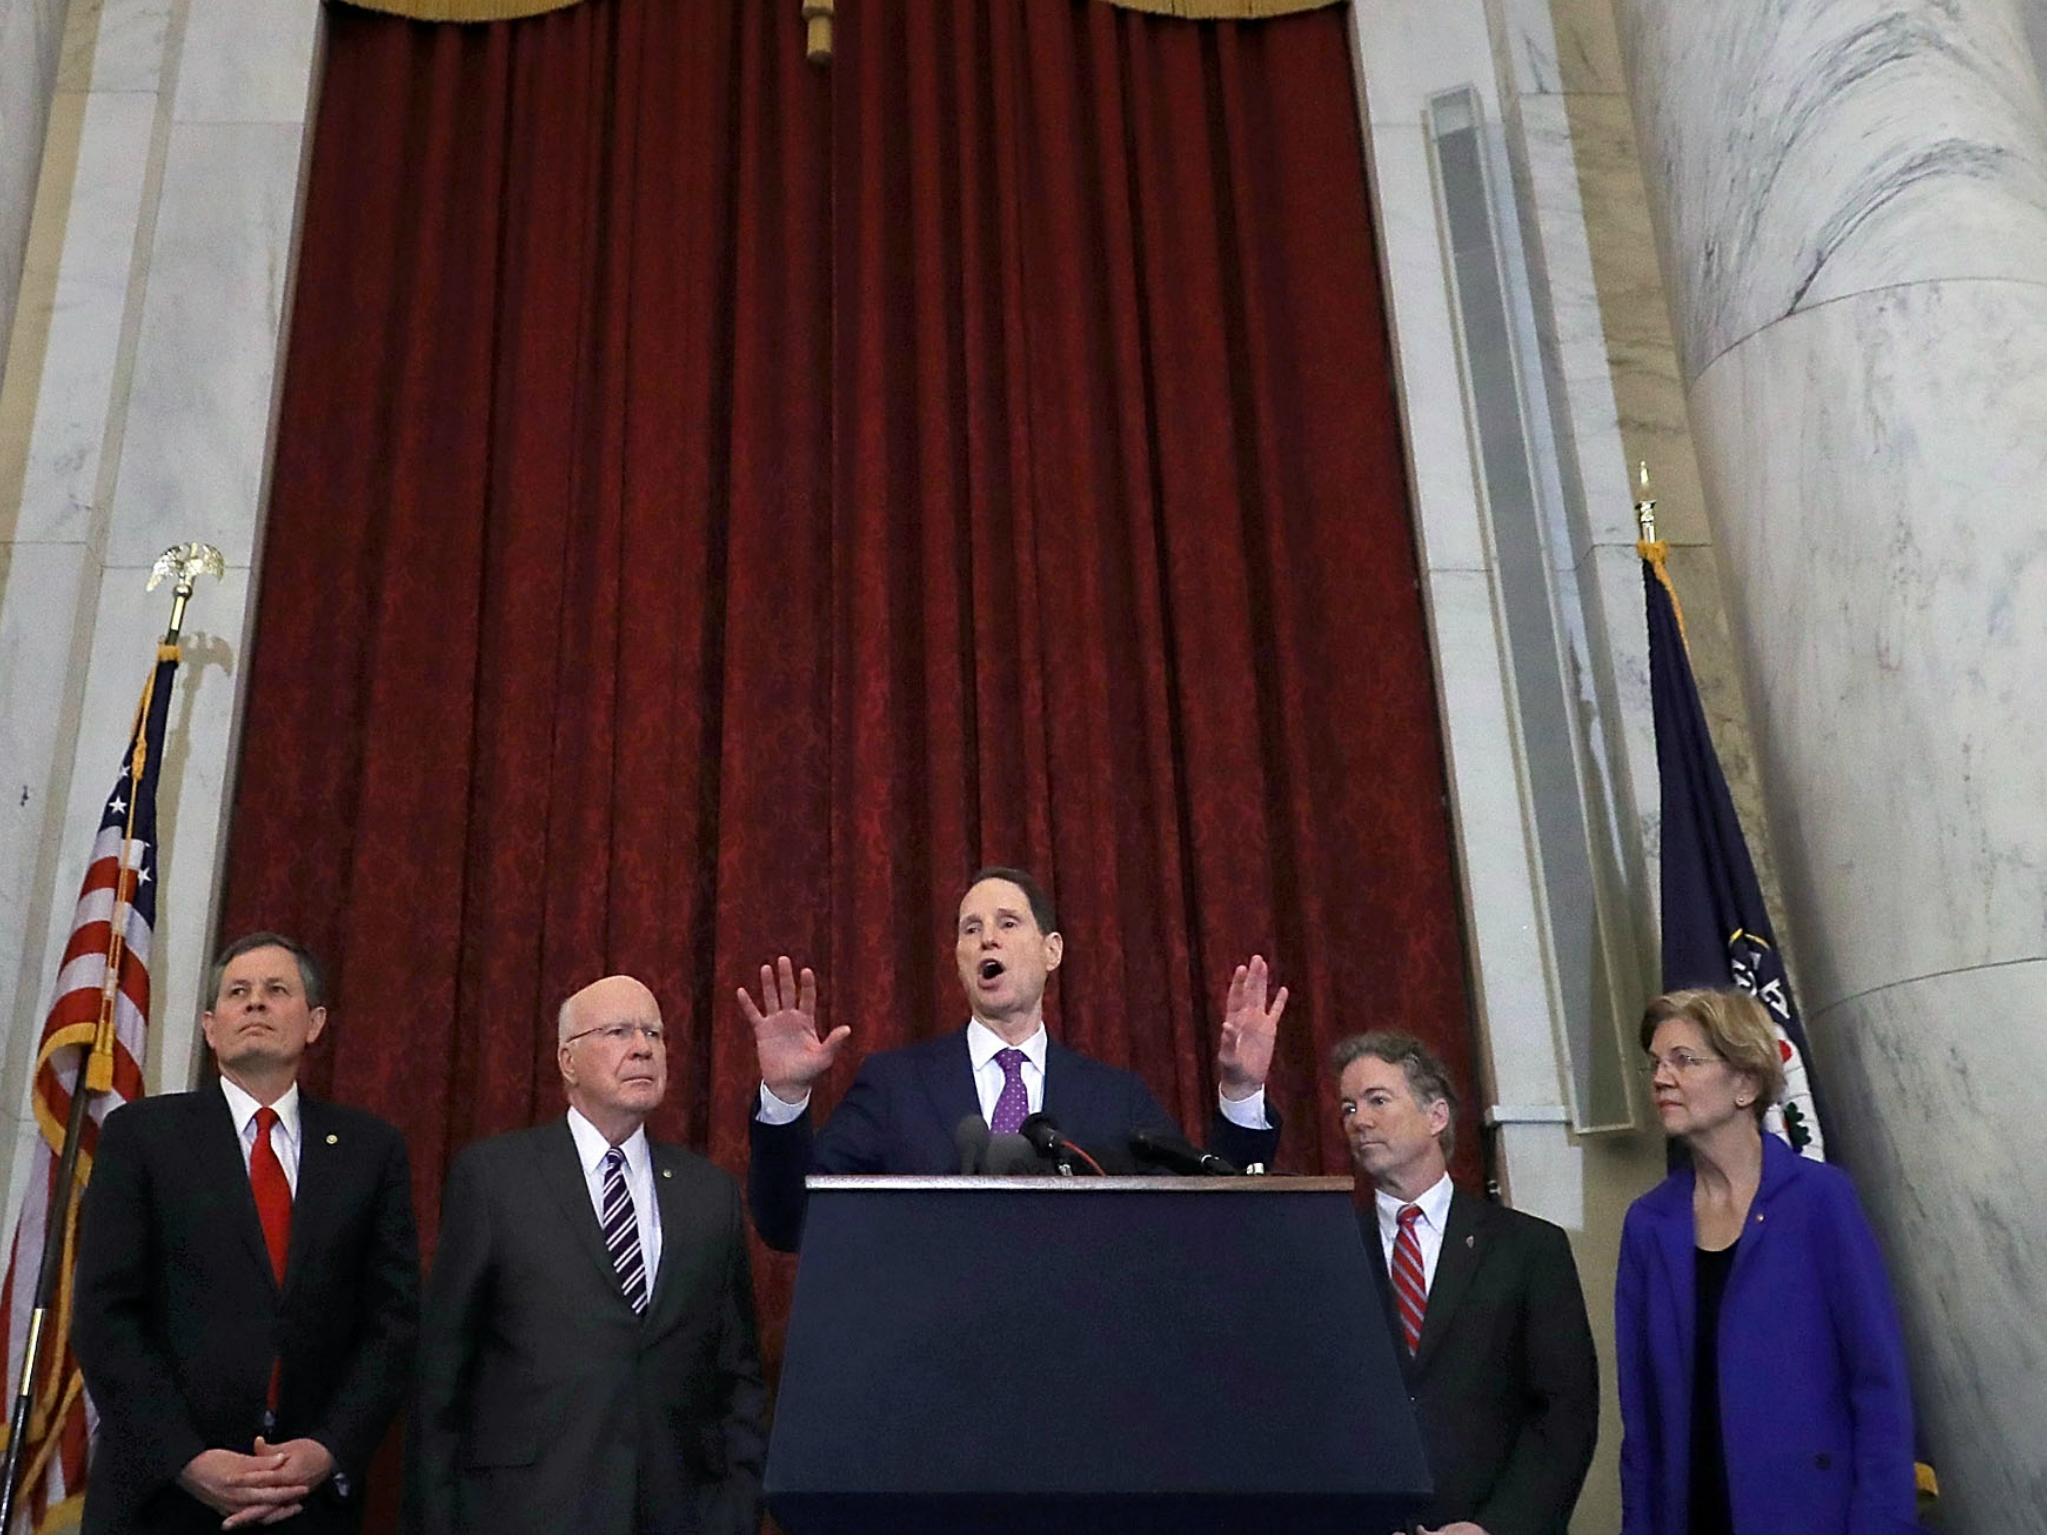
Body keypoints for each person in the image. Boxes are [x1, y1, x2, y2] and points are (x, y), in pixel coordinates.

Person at [741, 865, 1286, 1250]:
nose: (986, 941)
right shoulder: (894, 1086)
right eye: (970, 929)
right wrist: (786, 1100)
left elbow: (1212, 1220)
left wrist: (1240, 1094)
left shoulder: (1115, 1098)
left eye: (1007, 923)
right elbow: (791, 1224)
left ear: (1052, 951)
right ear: (957, 961)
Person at [71, 932, 419, 1533]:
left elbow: (393, 1325)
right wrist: (188, 1460)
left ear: (314, 1023)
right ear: (210, 1026)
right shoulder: (142, 1136)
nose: (255, 1002)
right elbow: (106, 1316)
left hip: (308, 1506)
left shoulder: (370, 1151)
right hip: (160, 1499)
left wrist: (326, 1450)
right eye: (238, 992)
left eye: (276, 990)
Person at [407, 975, 766, 1533]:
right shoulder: (495, 1179)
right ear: (567, 1061)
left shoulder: (709, 1194)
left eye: (654, 1032)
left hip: (679, 1512)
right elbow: (442, 1376)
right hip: (526, 1510)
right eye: (619, 1031)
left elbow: (737, 1373)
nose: (643, 1047)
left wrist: (737, 1510)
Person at [1617, 989, 1917, 1533]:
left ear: (1746, 1083)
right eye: (1656, 1063)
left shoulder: (1819, 1201)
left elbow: (1879, 1389)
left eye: (1684, 1060)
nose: (1661, 1077)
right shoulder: (1648, 1225)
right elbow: (1643, 1425)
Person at [1334, 1031, 1597, 1534]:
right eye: (1348, 1107)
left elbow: (1564, 1413)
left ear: (1436, 1117)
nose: (1359, 1121)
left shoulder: (1529, 1249)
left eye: (1377, 1100)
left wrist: (1495, 1528)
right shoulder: (1333, 1254)